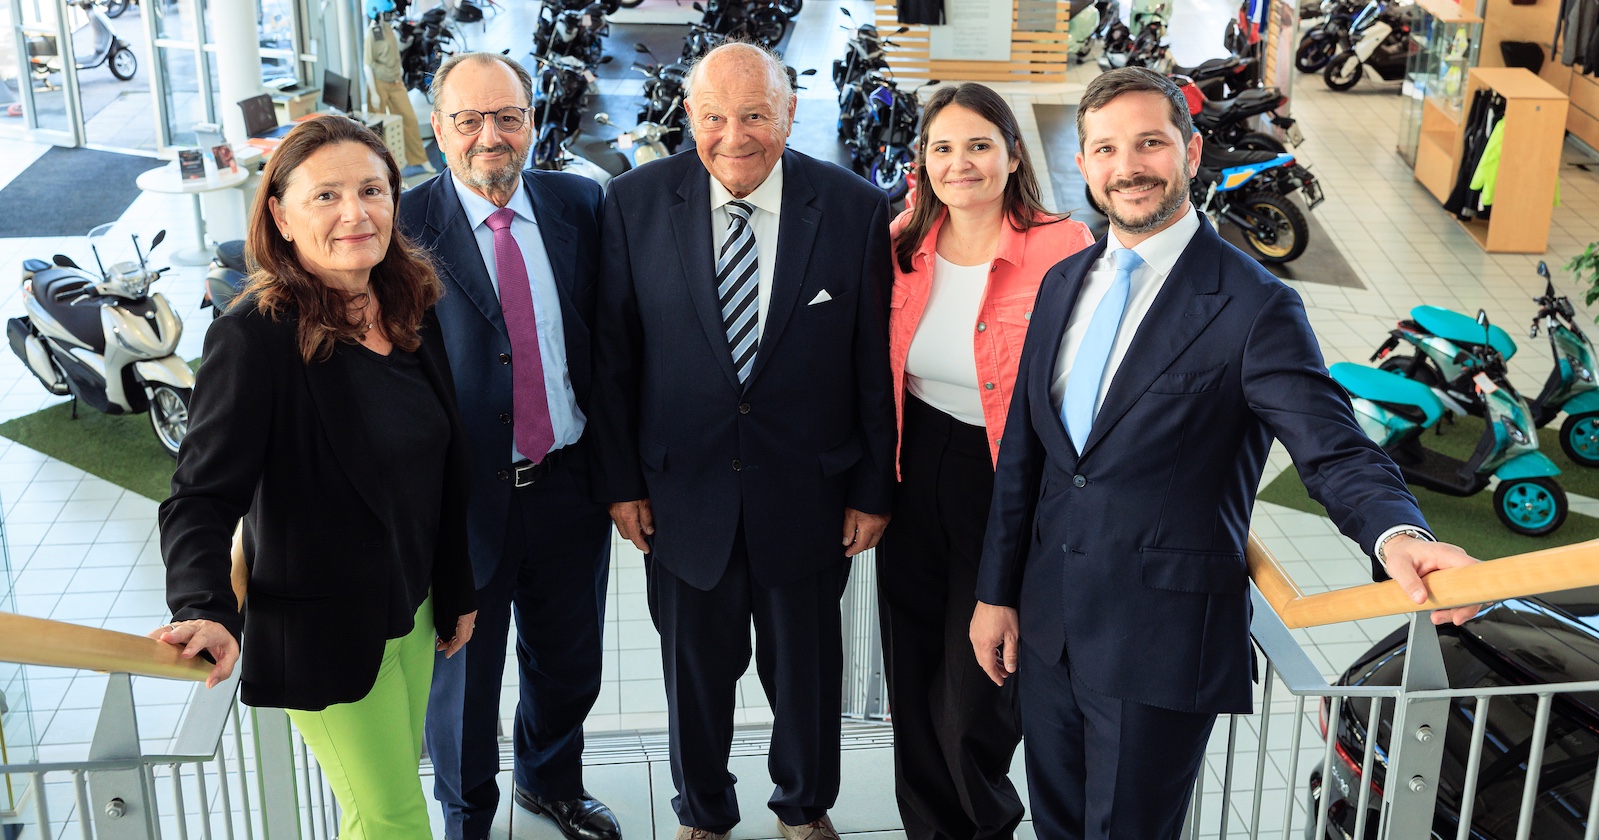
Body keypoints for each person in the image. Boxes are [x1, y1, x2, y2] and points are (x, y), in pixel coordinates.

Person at [966, 66, 1482, 840]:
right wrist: (995, 592)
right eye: (1105, 148)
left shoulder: (1253, 304)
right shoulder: (1063, 280)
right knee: (1059, 823)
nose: (1127, 165)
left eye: (1149, 142)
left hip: (1158, 643)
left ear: (1191, 149)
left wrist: (1397, 534)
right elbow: (1028, 463)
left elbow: (1331, 447)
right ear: (1082, 164)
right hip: (1049, 627)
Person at [590, 41, 896, 840]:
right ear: (688, 116)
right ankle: (703, 814)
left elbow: (871, 364)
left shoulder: (852, 207)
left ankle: (803, 809)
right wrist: (621, 483)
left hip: (809, 495)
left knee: (805, 676)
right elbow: (613, 359)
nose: (736, 135)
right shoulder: (632, 202)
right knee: (693, 676)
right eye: (715, 115)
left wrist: (871, 488)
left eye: (756, 114)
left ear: (789, 114)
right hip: (681, 499)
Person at [155, 114, 478, 840]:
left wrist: (456, 588)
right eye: (325, 195)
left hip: (414, 612)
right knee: (395, 819)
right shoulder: (254, 337)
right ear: (279, 213)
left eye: (371, 189)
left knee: (376, 811)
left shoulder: (403, 304)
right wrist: (203, 603)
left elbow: (439, 474)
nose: (355, 213)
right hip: (323, 629)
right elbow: (201, 497)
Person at [395, 52, 619, 840]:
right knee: (463, 684)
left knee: (568, 664)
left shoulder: (580, 205)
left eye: (508, 117)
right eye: (469, 120)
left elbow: (612, 346)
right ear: (438, 129)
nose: (490, 136)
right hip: (460, 508)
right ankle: (468, 818)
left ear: (531, 121)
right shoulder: (400, 229)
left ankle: (550, 783)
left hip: (568, 485)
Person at [878, 83, 1092, 840]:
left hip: (1008, 481)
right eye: (941, 147)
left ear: (1010, 153)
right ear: (922, 161)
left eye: (977, 145)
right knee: (912, 676)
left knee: (978, 687)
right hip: (914, 472)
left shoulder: (1063, 246)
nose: (958, 162)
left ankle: (982, 828)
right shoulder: (903, 239)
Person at [364, 0, 434, 178]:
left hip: (395, 82)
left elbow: (394, 52)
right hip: (378, 84)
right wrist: (373, 94)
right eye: (387, 13)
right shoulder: (371, 35)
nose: (391, 16)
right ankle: (376, 168)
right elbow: (367, 65)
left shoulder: (388, 28)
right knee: (376, 129)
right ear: (376, 13)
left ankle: (419, 158)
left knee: (409, 119)